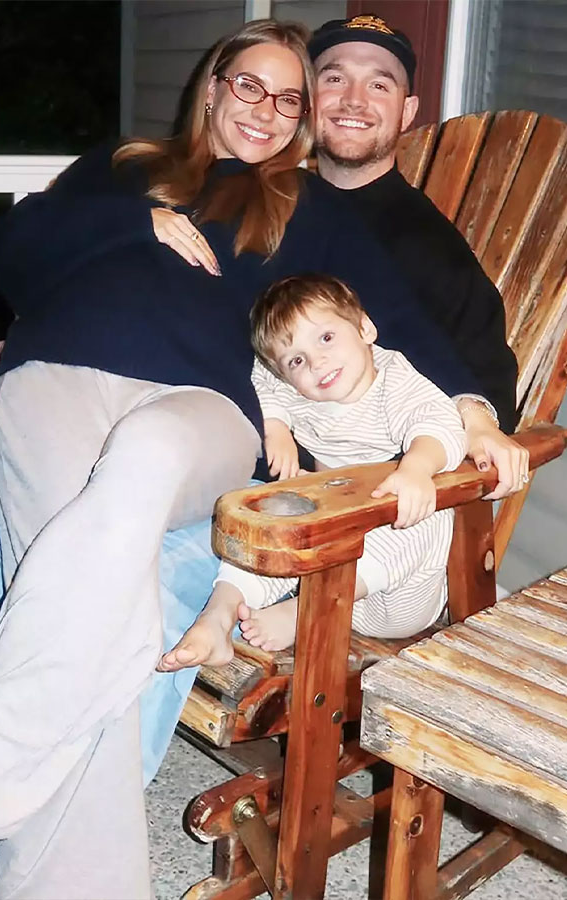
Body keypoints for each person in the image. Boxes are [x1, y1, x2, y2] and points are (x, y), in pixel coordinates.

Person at [0, 15, 527, 898]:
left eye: (290, 98)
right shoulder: (126, 169)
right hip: (75, 400)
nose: (270, 110)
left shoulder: (317, 212)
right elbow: (24, 251)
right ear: (212, 87)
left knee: (106, 572)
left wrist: (475, 414)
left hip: (215, 458)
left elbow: (419, 335)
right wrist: (67, 294)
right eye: (251, 87)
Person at [163, 272, 467, 668]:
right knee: (278, 512)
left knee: (416, 513)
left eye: (325, 338)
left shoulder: (393, 381)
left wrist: (416, 468)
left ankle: (303, 610)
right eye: (297, 360)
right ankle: (217, 617)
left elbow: (439, 422)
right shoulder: (298, 390)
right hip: (331, 568)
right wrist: (276, 429)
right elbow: (262, 380)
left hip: (397, 595)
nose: (317, 362)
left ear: (365, 328)